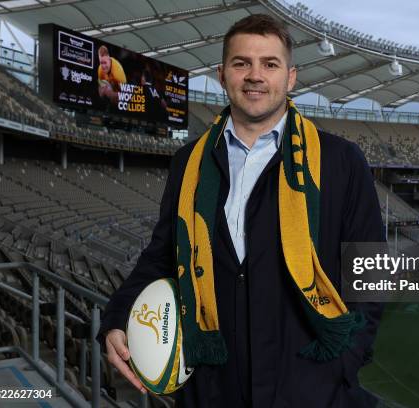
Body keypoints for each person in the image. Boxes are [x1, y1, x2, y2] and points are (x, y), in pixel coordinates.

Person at [99, 13, 384, 408]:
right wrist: (117, 316)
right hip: (214, 390)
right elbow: (163, 257)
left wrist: (339, 368)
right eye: (241, 63)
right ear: (222, 74)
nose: (255, 75)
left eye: (270, 64)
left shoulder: (340, 160)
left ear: (291, 78)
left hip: (311, 392)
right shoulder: (189, 163)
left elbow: (371, 273)